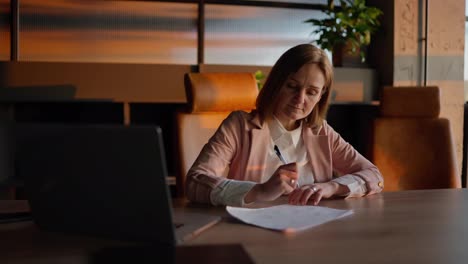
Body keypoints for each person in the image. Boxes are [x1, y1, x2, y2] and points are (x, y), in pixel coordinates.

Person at [185, 43, 383, 207]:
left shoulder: (321, 131)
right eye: (292, 86)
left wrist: (331, 187)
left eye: (312, 92)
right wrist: (259, 190)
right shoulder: (239, 126)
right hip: (252, 232)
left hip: (312, 232)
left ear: (320, 96)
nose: (300, 99)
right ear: (277, 83)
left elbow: (374, 175)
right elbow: (195, 181)